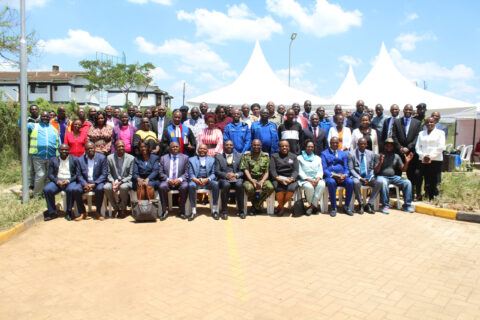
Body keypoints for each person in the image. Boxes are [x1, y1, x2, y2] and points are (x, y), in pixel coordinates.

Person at [375, 138, 415, 214]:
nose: (389, 147)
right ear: (384, 146)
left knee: (407, 182)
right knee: (383, 183)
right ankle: (385, 205)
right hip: (382, 176)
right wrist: (381, 162)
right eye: (387, 146)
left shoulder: (396, 156)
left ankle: (407, 205)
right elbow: (376, 171)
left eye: (391, 146)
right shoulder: (379, 155)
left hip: (393, 177)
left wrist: (407, 162)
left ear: (393, 147)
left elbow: (403, 169)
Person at [392, 104, 422, 200]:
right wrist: (400, 148)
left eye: (410, 110)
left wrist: (408, 148)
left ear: (413, 111)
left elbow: (417, 137)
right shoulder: (397, 122)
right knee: (398, 174)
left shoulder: (417, 123)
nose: (408, 111)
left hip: (411, 153)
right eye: (406, 109)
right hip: (399, 153)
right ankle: (397, 193)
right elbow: (394, 136)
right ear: (403, 111)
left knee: (411, 175)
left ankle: (410, 195)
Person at [43, 144, 81, 221]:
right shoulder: (53, 160)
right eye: (62, 150)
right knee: (47, 189)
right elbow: (50, 174)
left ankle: (69, 212)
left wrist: (68, 181)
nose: (64, 151)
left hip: (70, 180)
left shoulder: (75, 159)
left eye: (66, 150)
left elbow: (78, 174)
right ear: (59, 151)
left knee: (71, 190)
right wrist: (57, 181)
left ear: (69, 151)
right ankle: (52, 212)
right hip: (58, 181)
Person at [28, 111, 61, 196]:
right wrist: (23, 115)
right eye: (43, 116)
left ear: (50, 117)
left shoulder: (53, 129)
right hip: (38, 156)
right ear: (40, 117)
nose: (45, 118)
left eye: (47, 116)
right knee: (40, 175)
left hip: (51, 156)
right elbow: (21, 125)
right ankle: (37, 194)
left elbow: (59, 142)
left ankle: (46, 193)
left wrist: (59, 155)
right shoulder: (34, 126)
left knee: (49, 176)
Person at [321, 137, 354, 217]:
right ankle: (333, 207)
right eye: (333, 143)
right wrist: (333, 176)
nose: (335, 144)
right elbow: (324, 169)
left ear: (339, 143)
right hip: (330, 177)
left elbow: (346, 168)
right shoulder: (324, 153)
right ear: (330, 143)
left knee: (350, 182)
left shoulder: (343, 153)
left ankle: (346, 206)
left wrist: (344, 175)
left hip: (342, 176)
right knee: (331, 182)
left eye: (336, 143)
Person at [241, 139, 274, 215]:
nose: (256, 146)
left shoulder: (266, 156)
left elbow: (267, 171)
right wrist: (252, 181)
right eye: (254, 145)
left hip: (262, 179)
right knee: (249, 188)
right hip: (249, 179)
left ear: (261, 146)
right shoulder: (246, 156)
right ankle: (257, 206)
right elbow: (246, 170)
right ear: (251, 146)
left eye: (258, 145)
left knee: (270, 187)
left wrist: (262, 181)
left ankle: (255, 206)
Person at [416, 117, 446, 202]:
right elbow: (418, 147)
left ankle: (431, 197)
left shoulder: (440, 133)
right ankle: (419, 194)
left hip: (435, 159)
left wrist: (430, 156)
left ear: (435, 123)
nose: (429, 124)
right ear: (425, 124)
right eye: (427, 122)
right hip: (422, 159)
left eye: (431, 122)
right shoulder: (421, 133)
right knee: (419, 175)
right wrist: (423, 156)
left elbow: (441, 147)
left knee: (432, 179)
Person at [348, 138, 381, 214]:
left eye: (364, 144)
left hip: (367, 177)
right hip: (357, 177)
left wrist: (370, 177)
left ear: (366, 145)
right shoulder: (351, 154)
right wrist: (360, 178)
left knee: (379, 182)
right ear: (357, 144)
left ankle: (369, 204)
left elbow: (372, 168)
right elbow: (351, 169)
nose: (362, 145)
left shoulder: (371, 154)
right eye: (360, 144)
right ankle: (360, 204)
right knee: (356, 183)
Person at [76, 141, 108, 220]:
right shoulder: (80, 160)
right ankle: (82, 212)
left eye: (92, 148)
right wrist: (85, 184)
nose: (90, 150)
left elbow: (104, 174)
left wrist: (94, 184)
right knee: (75, 189)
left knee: (100, 189)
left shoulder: (102, 158)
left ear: (95, 148)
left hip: (97, 182)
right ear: (85, 150)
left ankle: (98, 211)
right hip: (85, 182)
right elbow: (79, 175)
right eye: (88, 149)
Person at [188, 144, 220, 220]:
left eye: (204, 149)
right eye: (200, 149)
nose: (202, 150)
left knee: (216, 184)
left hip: (207, 182)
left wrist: (207, 179)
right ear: (197, 150)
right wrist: (195, 179)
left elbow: (213, 173)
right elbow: (190, 173)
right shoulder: (191, 160)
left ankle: (215, 209)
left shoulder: (212, 160)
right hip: (196, 181)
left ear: (207, 151)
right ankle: (193, 210)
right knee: (190, 185)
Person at [158, 142, 190, 220]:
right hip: (168, 181)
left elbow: (187, 172)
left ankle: (181, 211)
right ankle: (164, 211)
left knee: (185, 186)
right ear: (170, 148)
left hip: (180, 181)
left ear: (179, 148)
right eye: (173, 147)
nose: (175, 148)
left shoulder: (185, 157)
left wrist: (179, 179)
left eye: (176, 147)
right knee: (162, 186)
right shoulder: (163, 158)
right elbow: (160, 172)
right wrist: (168, 180)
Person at [215, 140, 245, 219]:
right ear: (224, 147)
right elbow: (217, 171)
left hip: (236, 178)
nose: (229, 146)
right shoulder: (219, 157)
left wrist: (236, 175)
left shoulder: (239, 156)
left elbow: (242, 171)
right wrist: (226, 175)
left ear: (233, 147)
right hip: (224, 179)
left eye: (231, 145)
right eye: (227, 145)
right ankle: (224, 211)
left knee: (239, 185)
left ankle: (241, 210)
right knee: (226, 185)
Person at [104, 140, 134, 219]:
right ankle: (116, 208)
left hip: (126, 181)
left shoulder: (131, 158)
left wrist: (120, 182)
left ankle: (123, 208)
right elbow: (108, 173)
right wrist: (113, 182)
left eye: (122, 146)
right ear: (115, 148)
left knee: (123, 187)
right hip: (113, 180)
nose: (121, 148)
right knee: (107, 187)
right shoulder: (110, 158)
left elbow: (131, 175)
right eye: (119, 146)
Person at [270, 140, 299, 216]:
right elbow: (272, 170)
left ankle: (280, 206)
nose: (284, 147)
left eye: (286, 146)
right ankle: (282, 208)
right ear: (279, 147)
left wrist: (291, 179)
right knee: (279, 189)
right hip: (278, 178)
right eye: (282, 146)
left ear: (289, 147)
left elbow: (296, 170)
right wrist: (278, 178)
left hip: (290, 179)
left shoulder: (293, 156)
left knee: (291, 189)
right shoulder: (274, 156)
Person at [297, 139, 325, 215]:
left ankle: (311, 207)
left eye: (312, 147)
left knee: (322, 184)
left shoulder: (318, 158)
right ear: (305, 147)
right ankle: (314, 206)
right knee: (309, 187)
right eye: (308, 146)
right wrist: (309, 180)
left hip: (316, 179)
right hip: (305, 180)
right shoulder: (299, 158)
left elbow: (320, 170)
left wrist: (317, 179)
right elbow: (300, 171)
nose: (310, 148)